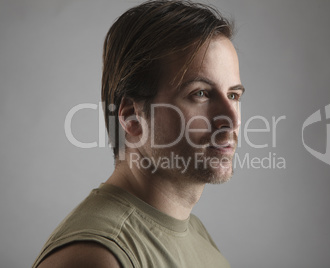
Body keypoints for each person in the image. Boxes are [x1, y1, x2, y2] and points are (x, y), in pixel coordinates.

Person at [33, 0, 244, 267]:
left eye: (234, 95)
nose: (232, 119)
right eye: (200, 94)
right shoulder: (99, 256)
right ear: (132, 117)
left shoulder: (193, 231)